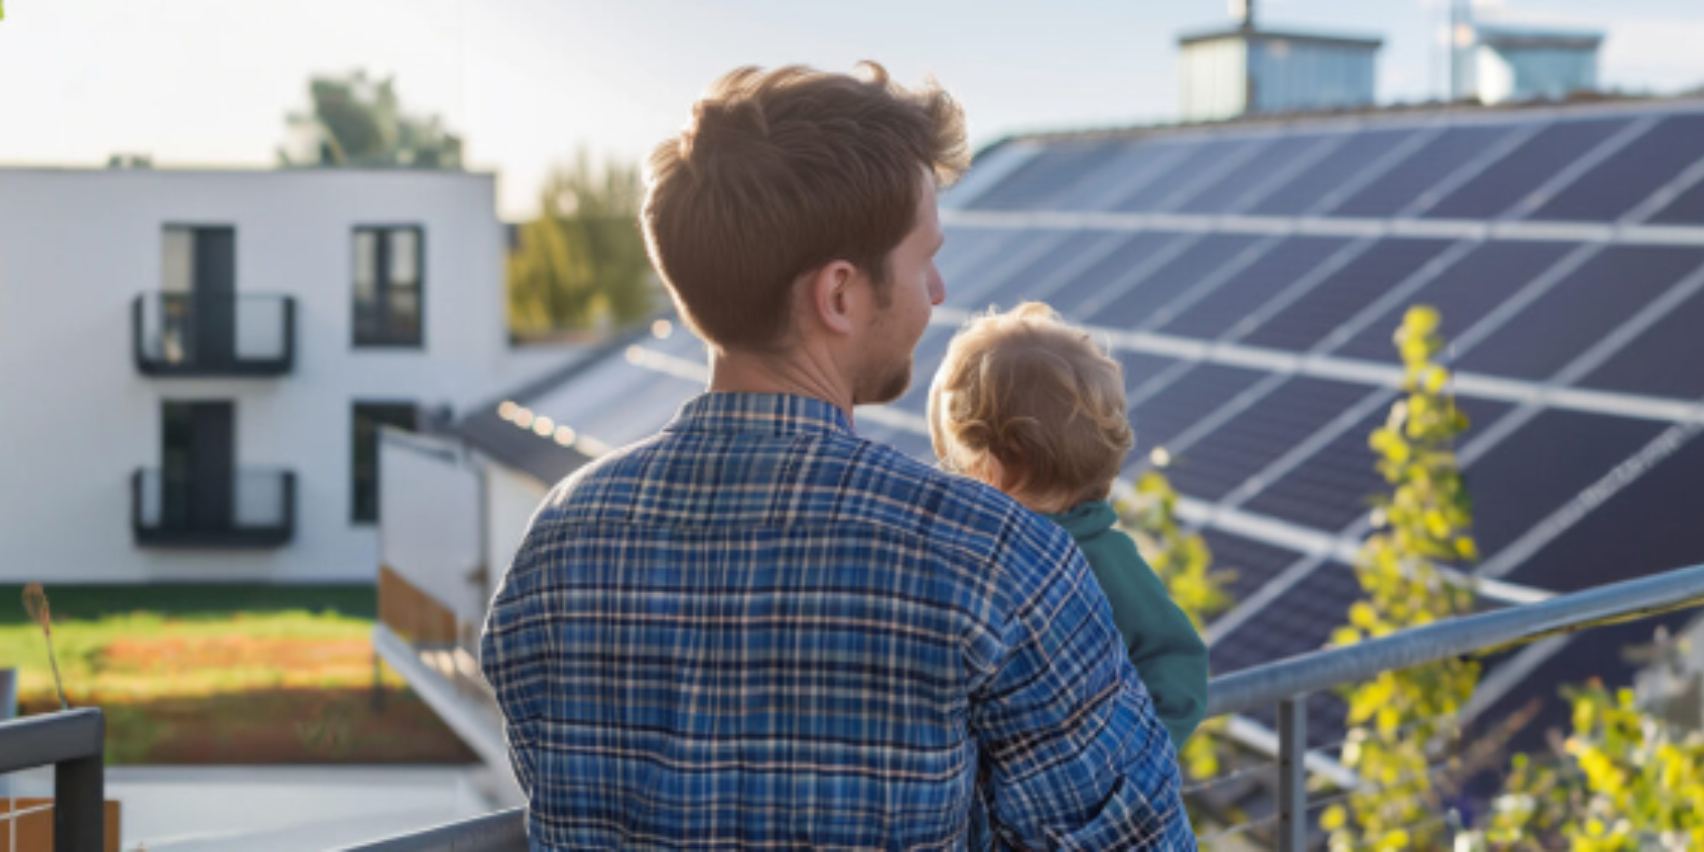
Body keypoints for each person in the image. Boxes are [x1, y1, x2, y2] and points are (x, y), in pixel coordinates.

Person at [478, 63, 1195, 850]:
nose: (939, 291)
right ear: (841, 294)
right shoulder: (993, 559)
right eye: (924, 259)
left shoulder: (558, 543)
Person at [925, 302, 1209, 749]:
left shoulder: (1096, 559)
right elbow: (1177, 670)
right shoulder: (1098, 556)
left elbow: (1175, 665)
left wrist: (1128, 759)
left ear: (989, 469)